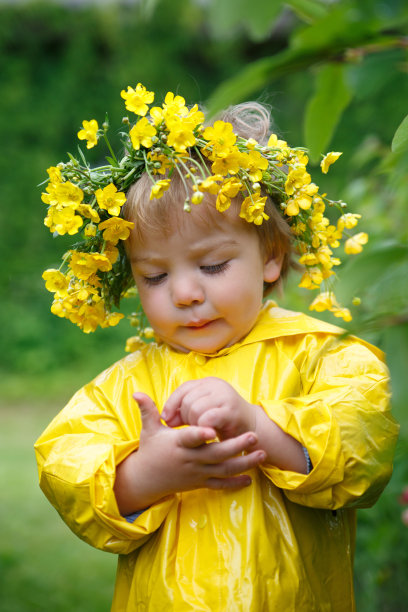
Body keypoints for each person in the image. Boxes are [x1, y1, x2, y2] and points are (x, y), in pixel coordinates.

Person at [35, 84, 399, 611]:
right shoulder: (128, 385)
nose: (185, 293)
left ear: (271, 257)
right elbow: (65, 465)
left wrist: (258, 427)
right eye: (155, 275)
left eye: (212, 266)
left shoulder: (324, 354)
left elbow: (361, 445)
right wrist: (144, 476)